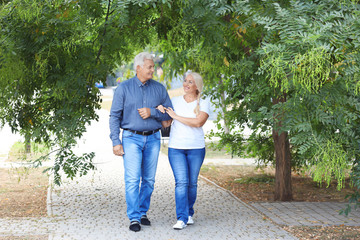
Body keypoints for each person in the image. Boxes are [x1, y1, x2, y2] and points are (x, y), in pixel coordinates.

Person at [109, 52, 172, 232]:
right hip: (131, 138)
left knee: (149, 180)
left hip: (153, 138)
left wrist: (152, 112)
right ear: (138, 68)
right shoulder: (124, 88)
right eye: (150, 67)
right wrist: (115, 141)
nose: (153, 69)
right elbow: (114, 116)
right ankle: (134, 217)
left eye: (153, 66)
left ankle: (143, 212)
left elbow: (169, 113)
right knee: (132, 179)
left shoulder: (159, 89)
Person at [157, 71, 210, 230]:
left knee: (192, 184)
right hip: (176, 148)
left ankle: (189, 213)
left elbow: (198, 123)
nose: (186, 84)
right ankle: (181, 217)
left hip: (196, 148)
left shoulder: (204, 101)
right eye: (185, 81)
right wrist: (162, 113)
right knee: (181, 183)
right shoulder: (174, 101)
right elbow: (167, 124)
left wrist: (175, 116)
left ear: (197, 86)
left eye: (190, 82)